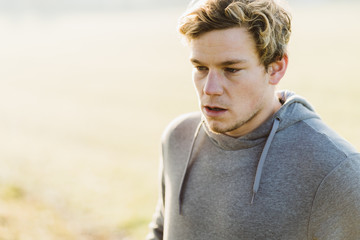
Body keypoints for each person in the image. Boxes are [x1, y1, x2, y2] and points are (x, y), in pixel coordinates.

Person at [146, 0, 360, 239]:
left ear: (276, 67)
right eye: (201, 68)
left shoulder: (337, 171)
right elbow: (160, 231)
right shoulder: (178, 138)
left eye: (231, 69)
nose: (210, 88)